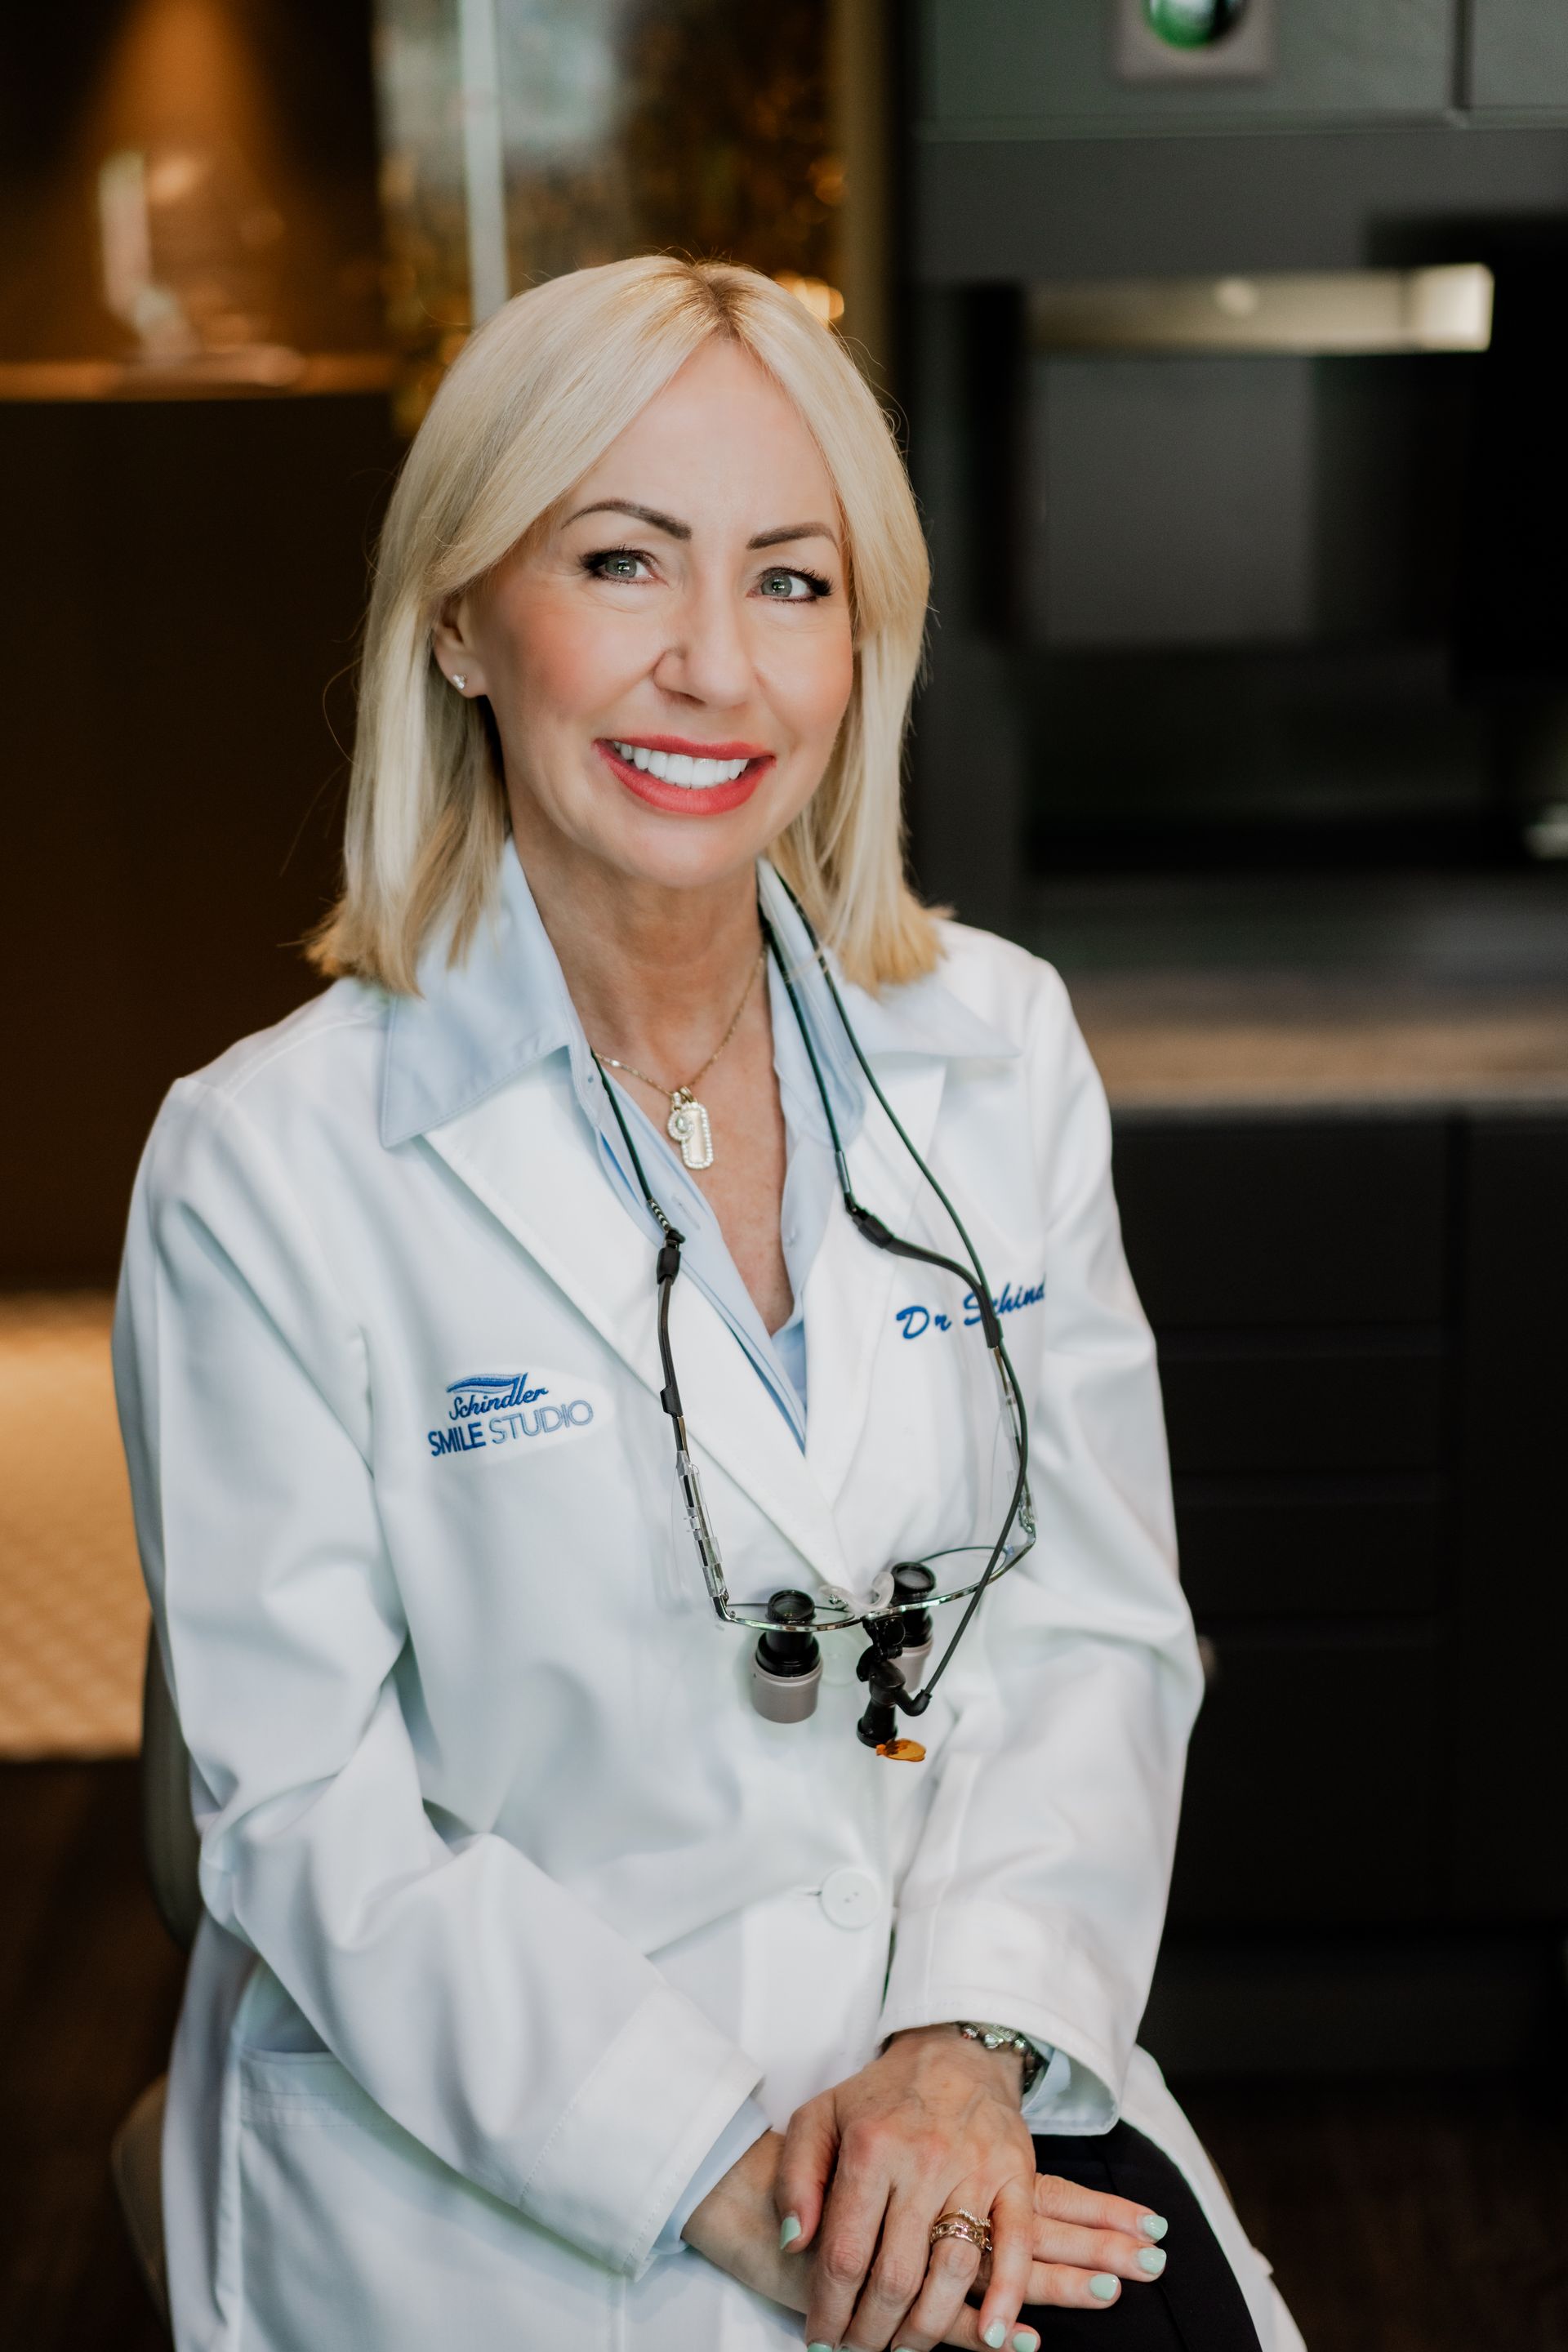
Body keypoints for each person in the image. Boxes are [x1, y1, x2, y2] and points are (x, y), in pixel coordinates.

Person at [114, 255, 1304, 2352]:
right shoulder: (265, 1167)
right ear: (464, 619)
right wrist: (719, 2177)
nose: (712, 669)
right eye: (621, 561)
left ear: (869, 641)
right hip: (512, 2147)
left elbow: (1095, 1623)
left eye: (789, 580)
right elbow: (310, 1821)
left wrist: (958, 2047)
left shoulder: (994, 1052)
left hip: (953, 2077)